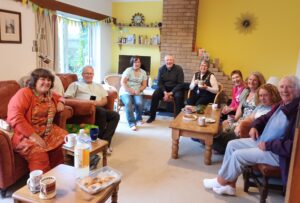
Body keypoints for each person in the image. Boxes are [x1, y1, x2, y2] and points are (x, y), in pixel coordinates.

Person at [203, 75, 300, 196]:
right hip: (264, 141)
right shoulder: (283, 104)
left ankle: (220, 181)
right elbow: (265, 117)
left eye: (289, 87)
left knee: (238, 155)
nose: (284, 90)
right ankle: (230, 186)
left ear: (297, 89)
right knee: (232, 144)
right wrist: (255, 126)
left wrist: (268, 145)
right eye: (281, 86)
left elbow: (293, 145)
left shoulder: (297, 111)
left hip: (277, 152)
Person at [7, 68, 68, 172]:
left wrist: (61, 102)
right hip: (25, 134)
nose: (47, 82)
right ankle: (41, 184)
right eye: (43, 79)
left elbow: (61, 97)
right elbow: (15, 117)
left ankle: (58, 174)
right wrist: (35, 137)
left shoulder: (49, 94)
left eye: (49, 80)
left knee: (66, 140)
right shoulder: (24, 93)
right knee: (39, 154)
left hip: (47, 130)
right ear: (34, 81)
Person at [64, 66, 120, 154]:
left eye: (91, 73)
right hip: (84, 108)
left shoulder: (98, 85)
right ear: (82, 74)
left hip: (98, 106)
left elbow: (105, 100)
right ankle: (100, 144)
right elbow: (68, 97)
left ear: (93, 74)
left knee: (115, 115)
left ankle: (104, 142)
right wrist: (86, 103)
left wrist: (96, 103)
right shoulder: (75, 84)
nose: (89, 75)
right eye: (87, 73)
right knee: (102, 113)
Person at [213, 83, 281, 154]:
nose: (262, 98)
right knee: (217, 136)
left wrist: (243, 126)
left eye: (266, 95)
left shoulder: (275, 109)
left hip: (255, 135)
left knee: (218, 140)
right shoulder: (260, 106)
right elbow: (250, 118)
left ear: (273, 95)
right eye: (260, 95)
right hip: (245, 130)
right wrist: (240, 125)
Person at [146, 55, 184, 123]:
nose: (169, 61)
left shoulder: (179, 69)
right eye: (167, 60)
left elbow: (180, 83)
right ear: (165, 61)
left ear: (173, 61)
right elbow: (160, 83)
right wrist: (165, 92)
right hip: (164, 88)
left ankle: (177, 118)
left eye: (170, 60)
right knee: (155, 94)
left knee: (179, 96)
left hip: (175, 88)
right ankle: (152, 117)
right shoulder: (161, 69)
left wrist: (171, 93)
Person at [120, 56, 147, 131]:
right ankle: (132, 123)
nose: (137, 63)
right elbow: (123, 82)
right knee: (128, 102)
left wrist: (139, 90)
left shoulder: (143, 72)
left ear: (140, 63)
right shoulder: (128, 70)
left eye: (138, 62)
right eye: (135, 62)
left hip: (137, 91)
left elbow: (144, 85)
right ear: (132, 63)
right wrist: (129, 90)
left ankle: (138, 118)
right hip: (126, 90)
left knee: (139, 103)